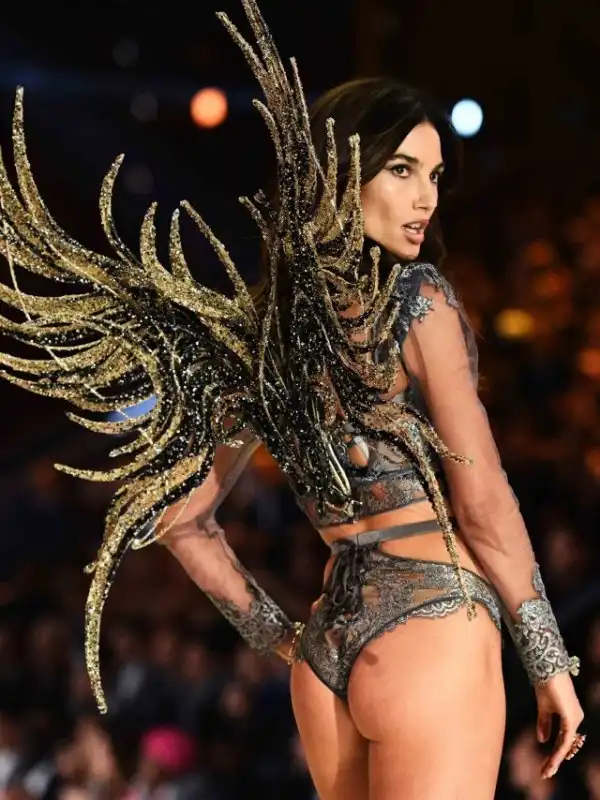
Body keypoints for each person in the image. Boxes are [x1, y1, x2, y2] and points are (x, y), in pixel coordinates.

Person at [0, 0, 585, 797]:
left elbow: (181, 522)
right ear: (343, 174)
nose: (426, 198)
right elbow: (482, 503)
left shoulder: (259, 336)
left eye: (435, 176)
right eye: (402, 170)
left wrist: (287, 641)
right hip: (431, 628)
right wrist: (550, 661)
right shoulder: (416, 299)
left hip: (326, 657)